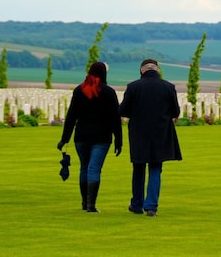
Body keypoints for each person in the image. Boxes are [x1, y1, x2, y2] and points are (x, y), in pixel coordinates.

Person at [118, 58, 182, 217]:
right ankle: (151, 205)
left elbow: (123, 110)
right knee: (155, 168)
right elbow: (175, 111)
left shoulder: (133, 87)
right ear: (157, 70)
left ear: (142, 70)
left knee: (138, 168)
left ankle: (137, 204)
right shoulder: (168, 87)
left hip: (139, 133)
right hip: (160, 133)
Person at [57, 61, 122, 213]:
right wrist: (119, 140)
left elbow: (71, 116)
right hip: (102, 137)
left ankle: (84, 202)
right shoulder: (108, 92)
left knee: (84, 168)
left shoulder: (80, 90)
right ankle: (91, 205)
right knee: (94, 169)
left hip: (82, 136)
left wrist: (64, 138)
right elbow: (115, 119)